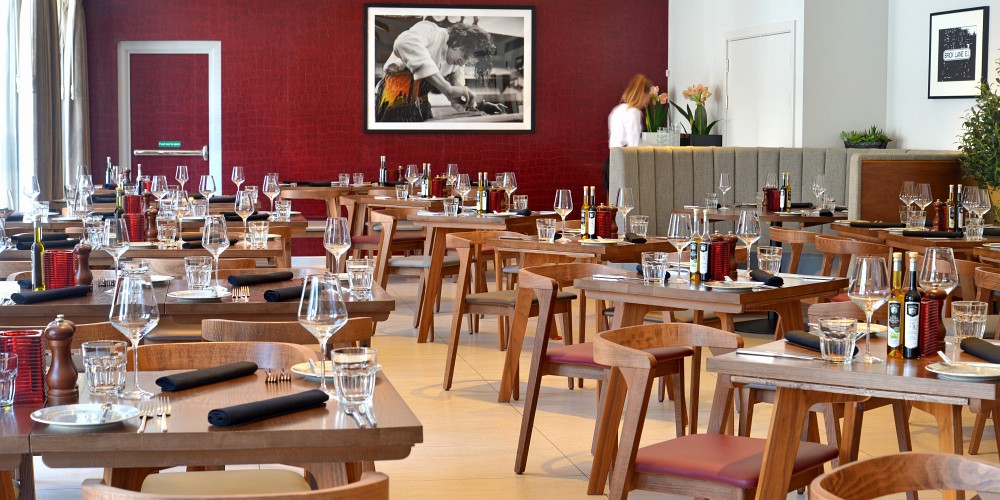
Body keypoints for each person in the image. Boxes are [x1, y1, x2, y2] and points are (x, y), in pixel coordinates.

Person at [376, 21, 502, 122]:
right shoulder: (432, 32)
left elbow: (458, 94)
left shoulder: (456, 65)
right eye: (464, 56)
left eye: (467, 62)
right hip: (394, 92)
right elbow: (404, 43)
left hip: (419, 101)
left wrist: (477, 108)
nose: (461, 63)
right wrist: (446, 88)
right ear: (458, 42)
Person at [604, 74, 653, 189]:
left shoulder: (617, 110)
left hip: (611, 160)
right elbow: (634, 145)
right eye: (647, 98)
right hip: (624, 161)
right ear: (643, 95)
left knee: (614, 197)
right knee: (628, 197)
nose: (647, 102)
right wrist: (656, 148)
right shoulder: (634, 112)